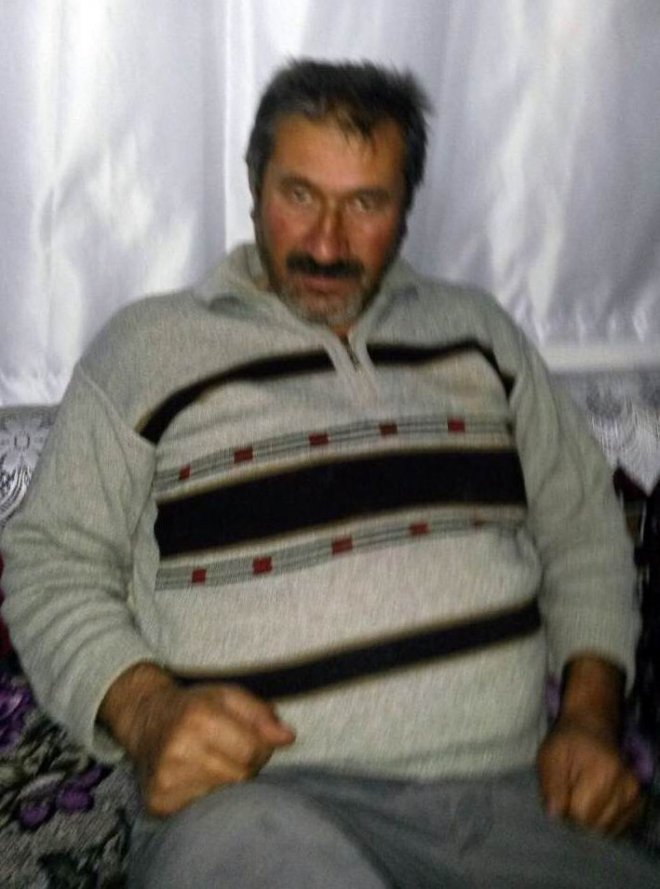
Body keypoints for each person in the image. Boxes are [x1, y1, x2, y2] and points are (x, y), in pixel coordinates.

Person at [2, 59, 658, 888]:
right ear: (254, 186)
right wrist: (148, 710)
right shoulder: (146, 349)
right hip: (259, 806)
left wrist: (590, 721)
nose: (326, 243)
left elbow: (583, 531)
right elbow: (50, 561)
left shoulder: (481, 334)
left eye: (366, 204)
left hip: (513, 801)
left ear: (406, 206)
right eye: (299, 194)